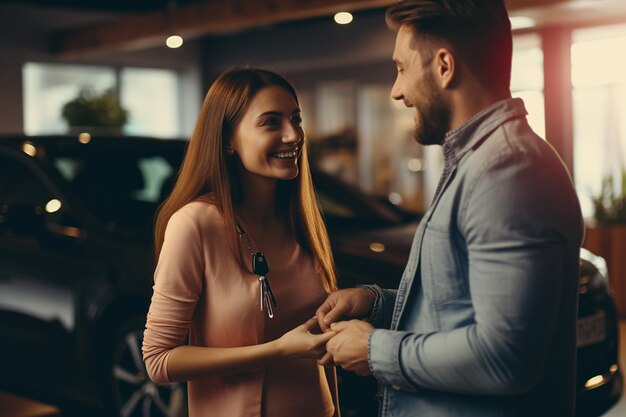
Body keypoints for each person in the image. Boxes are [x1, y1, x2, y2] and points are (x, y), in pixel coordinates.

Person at [316, 1, 584, 416]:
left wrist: (373, 350)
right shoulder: (479, 163)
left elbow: (506, 359)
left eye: (402, 68)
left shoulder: (506, 171)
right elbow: (457, 308)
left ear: (444, 66)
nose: (396, 91)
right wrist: (378, 304)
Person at [142, 66, 340, 417]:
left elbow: (320, 351)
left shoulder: (298, 218)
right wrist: (277, 350)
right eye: (271, 122)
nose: (293, 135)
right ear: (227, 140)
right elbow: (159, 360)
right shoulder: (194, 225)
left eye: (296, 119)